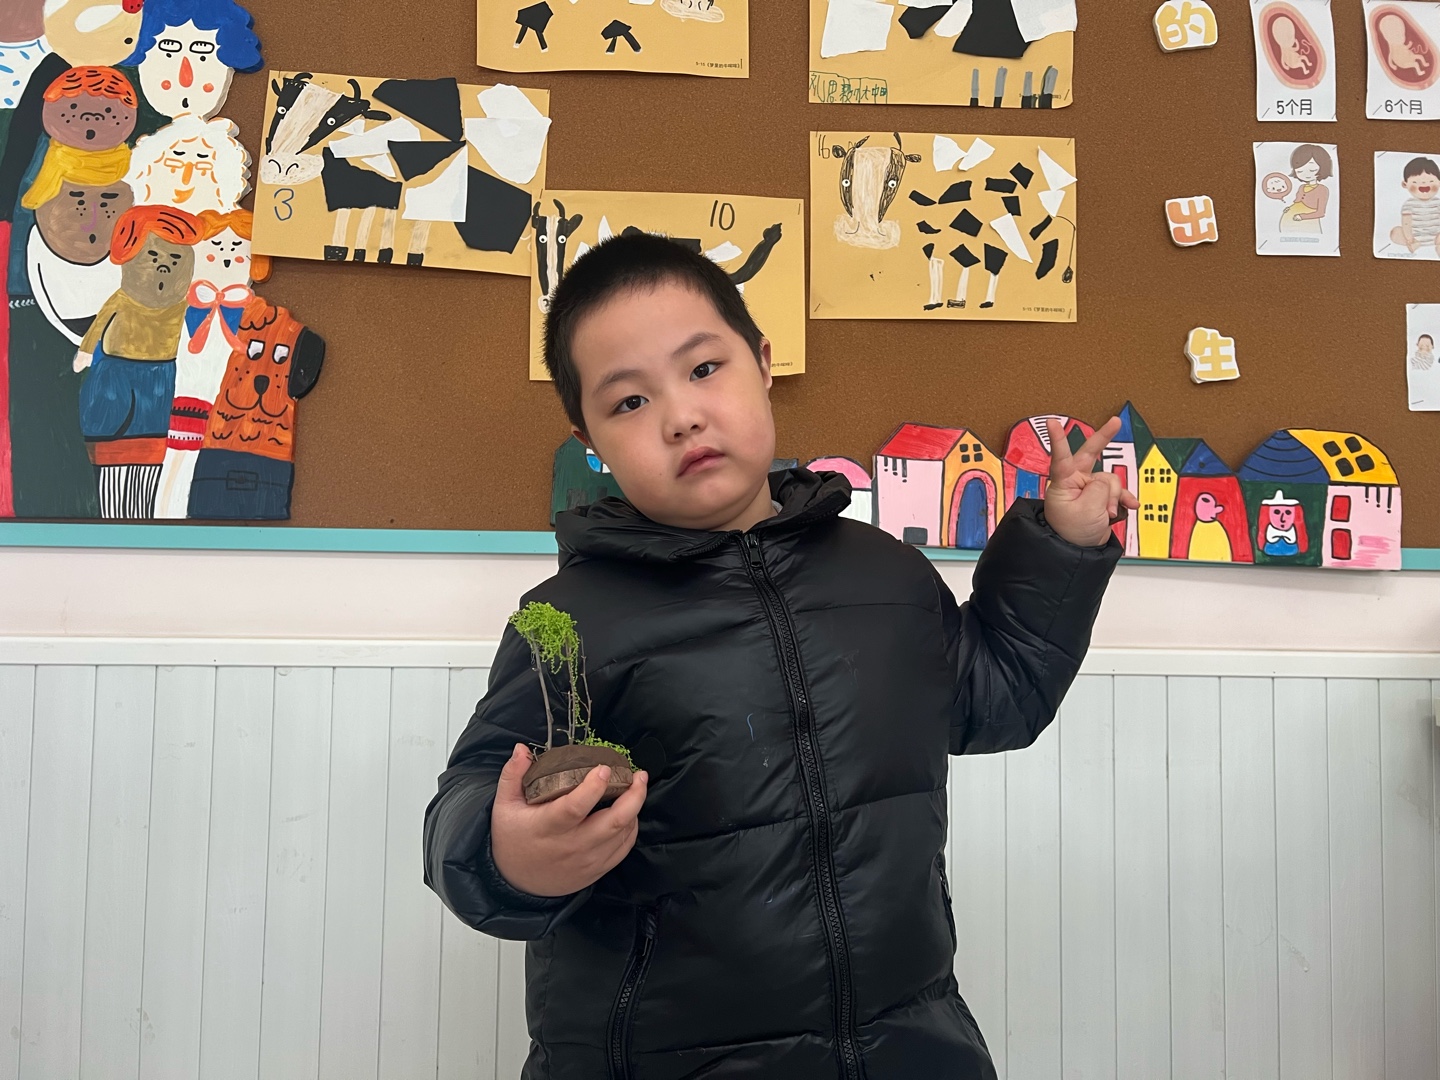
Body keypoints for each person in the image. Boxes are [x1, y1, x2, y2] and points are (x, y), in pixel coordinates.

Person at [423, 233, 1131, 1080]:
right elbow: (473, 789)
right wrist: (506, 854)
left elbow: (998, 700)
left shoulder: (885, 574)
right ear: (591, 441)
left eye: (703, 369)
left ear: (762, 363)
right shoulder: (568, 621)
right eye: (630, 402)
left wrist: (1060, 545)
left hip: (906, 1047)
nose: (681, 416)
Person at [1391, 156, 1440, 257]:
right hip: (1414, 238)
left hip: (1437, 236)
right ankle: (1413, 244)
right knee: (1395, 232)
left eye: (1431, 181)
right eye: (1415, 182)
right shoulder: (1409, 204)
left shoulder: (1438, 203)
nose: (1424, 183)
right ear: (1405, 184)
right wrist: (1410, 239)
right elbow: (1406, 223)